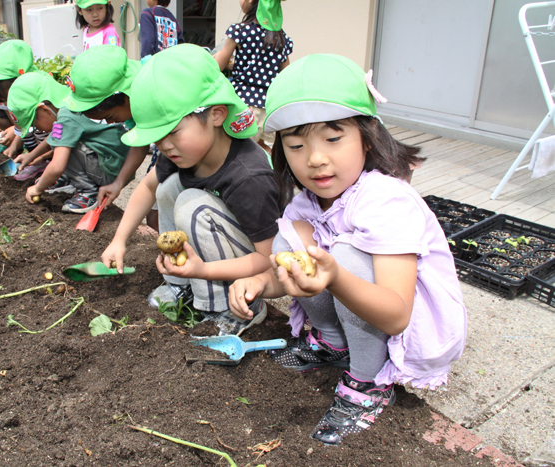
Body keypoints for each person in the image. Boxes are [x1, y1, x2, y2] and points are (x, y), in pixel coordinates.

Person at [228, 54, 467, 446]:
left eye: (333, 138)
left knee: (343, 255)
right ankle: (332, 343)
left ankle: (369, 381)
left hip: (407, 318)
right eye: (296, 144)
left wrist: (336, 277)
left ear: (367, 136)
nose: (316, 158)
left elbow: (396, 315)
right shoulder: (306, 203)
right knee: (291, 243)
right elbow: (288, 275)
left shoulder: (385, 200)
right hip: (360, 302)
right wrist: (255, 282)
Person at [101, 44, 282, 336]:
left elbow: (270, 258)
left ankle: (232, 305)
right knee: (167, 187)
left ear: (216, 114)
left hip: (257, 261)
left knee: (190, 203)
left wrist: (204, 272)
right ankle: (181, 285)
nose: (164, 146)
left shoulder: (249, 177)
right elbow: (147, 188)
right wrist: (119, 240)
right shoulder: (183, 152)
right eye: (157, 137)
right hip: (220, 246)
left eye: (172, 131)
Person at [20, 45, 149, 213]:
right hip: (116, 163)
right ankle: (73, 181)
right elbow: (140, 142)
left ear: (123, 97)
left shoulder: (148, 101)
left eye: (110, 117)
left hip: (111, 166)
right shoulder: (130, 100)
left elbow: (57, 165)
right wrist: (117, 185)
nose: (111, 123)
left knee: (64, 143)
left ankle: (88, 191)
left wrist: (36, 189)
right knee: (61, 140)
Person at [214, 0, 292, 153]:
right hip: (268, 107)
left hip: (243, 104)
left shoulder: (240, 31)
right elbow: (286, 76)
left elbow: (217, 66)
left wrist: (215, 58)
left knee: (235, 152)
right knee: (263, 151)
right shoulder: (281, 38)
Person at [0, 39, 41, 160]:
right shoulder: (17, 93)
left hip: (50, 143)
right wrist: (13, 147)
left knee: (32, 129)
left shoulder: (38, 95)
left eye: (5, 98)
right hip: (37, 141)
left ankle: (39, 160)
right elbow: (22, 125)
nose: (4, 103)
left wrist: (35, 156)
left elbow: (30, 126)